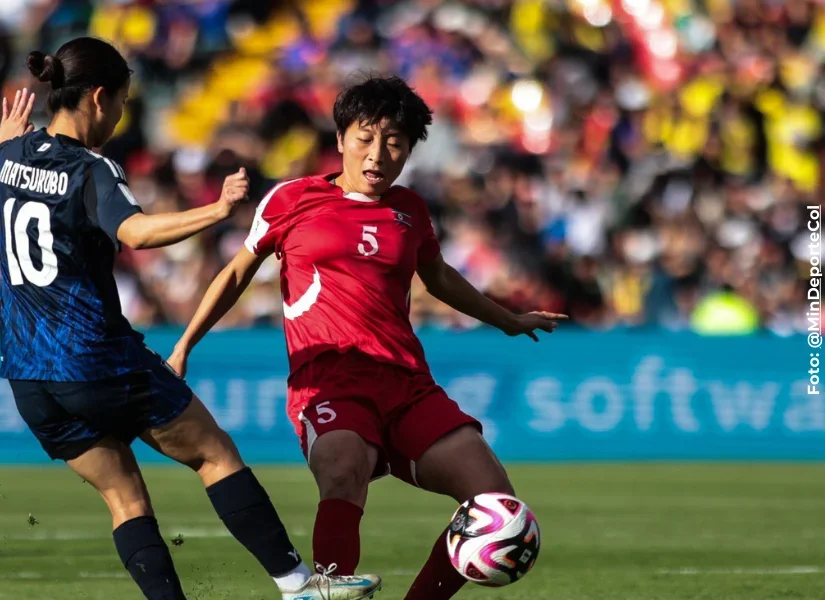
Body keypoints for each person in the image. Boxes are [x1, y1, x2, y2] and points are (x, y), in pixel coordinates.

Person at [0, 37, 382, 600]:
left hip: (29, 378)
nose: (122, 115)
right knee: (214, 454)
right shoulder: (91, 167)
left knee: (125, 500)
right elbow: (137, 232)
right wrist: (218, 210)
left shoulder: (11, 157)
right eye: (122, 102)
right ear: (99, 97)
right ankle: (300, 585)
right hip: (95, 359)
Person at [168, 75, 567, 599]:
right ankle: (327, 592)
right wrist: (183, 346)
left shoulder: (411, 211)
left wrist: (509, 321)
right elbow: (237, 274)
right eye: (365, 137)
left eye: (394, 143)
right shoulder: (292, 199)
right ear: (340, 139)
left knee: (496, 503)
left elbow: (440, 277)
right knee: (343, 467)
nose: (378, 154)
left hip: (406, 384)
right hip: (330, 379)